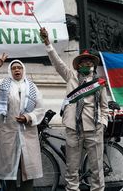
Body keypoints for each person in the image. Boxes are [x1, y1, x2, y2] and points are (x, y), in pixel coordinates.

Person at [40, 28, 109, 191]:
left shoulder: (99, 84)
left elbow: (104, 107)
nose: (86, 64)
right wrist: (48, 43)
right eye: (83, 62)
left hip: (94, 128)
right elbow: (57, 63)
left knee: (96, 170)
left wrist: (103, 124)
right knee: (72, 170)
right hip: (73, 129)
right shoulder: (70, 77)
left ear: (93, 64)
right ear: (78, 65)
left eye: (89, 62)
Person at [0, 53, 46, 191]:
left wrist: (28, 117)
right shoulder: (2, 84)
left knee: (27, 171)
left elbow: (40, 109)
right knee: (8, 171)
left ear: (23, 70)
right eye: (14, 68)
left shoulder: (33, 87)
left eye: (19, 68)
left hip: (27, 134)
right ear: (10, 71)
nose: (17, 70)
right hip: (9, 133)